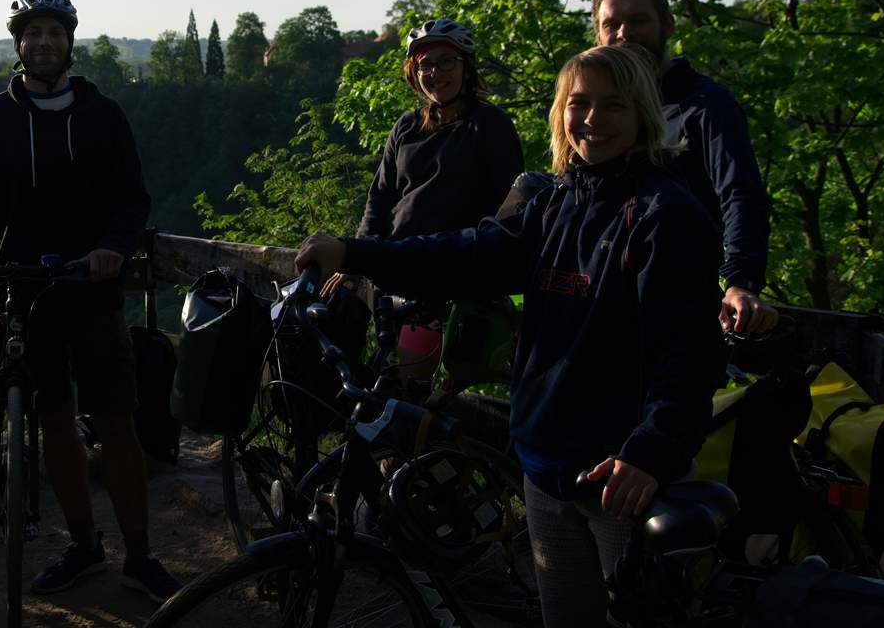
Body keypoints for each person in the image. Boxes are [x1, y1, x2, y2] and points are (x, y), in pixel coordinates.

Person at [295, 45, 725, 627]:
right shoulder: (555, 203)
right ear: (560, 113)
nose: (592, 119)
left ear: (643, 113)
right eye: (578, 104)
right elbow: (465, 254)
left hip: (620, 481)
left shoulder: (664, 213)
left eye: (612, 105)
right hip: (545, 468)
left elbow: (690, 351)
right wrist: (354, 252)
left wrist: (652, 451)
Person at [0, 0, 179, 603]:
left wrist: (113, 247)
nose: (45, 42)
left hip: (92, 285)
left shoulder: (104, 116)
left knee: (115, 421)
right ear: (19, 45)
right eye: (34, 33)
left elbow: (132, 198)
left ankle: (140, 553)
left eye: (56, 32)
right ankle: (83, 546)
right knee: (53, 422)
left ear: (69, 42)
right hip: (22, 291)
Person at [322, 18, 524, 378]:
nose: (435, 73)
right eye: (425, 64)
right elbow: (381, 196)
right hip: (395, 265)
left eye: (447, 62)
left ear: (466, 66)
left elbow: (505, 211)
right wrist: (358, 255)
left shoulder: (490, 125)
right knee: (342, 359)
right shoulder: (407, 126)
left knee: (415, 385)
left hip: (444, 276)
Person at [592, 0, 777, 335]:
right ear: (598, 36)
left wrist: (740, 281)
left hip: (680, 303)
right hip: (607, 300)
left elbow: (740, 193)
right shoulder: (597, 116)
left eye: (638, 20)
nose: (623, 33)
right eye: (611, 24)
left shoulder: (705, 104)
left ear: (668, 25)